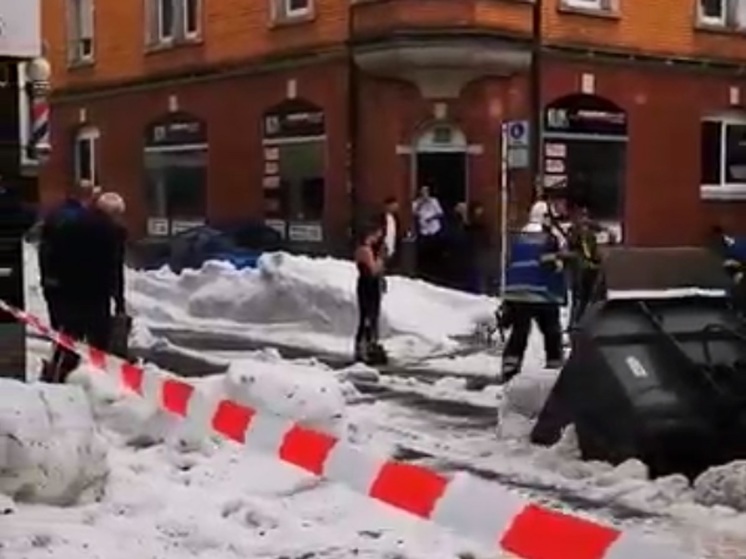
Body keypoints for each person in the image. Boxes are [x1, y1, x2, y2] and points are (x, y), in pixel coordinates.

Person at [469, 201, 566, 389]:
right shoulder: (549, 239)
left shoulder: (519, 237)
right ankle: (554, 368)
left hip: (516, 294)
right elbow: (551, 264)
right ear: (545, 217)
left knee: (519, 332)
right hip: (542, 294)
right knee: (551, 332)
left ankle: (510, 368)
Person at [40, 187, 127, 383]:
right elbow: (114, 269)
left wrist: (53, 290)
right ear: (113, 214)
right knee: (99, 347)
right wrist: (119, 301)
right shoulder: (113, 232)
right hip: (96, 296)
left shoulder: (71, 224)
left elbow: (52, 256)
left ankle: (57, 378)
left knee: (69, 342)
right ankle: (100, 384)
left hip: (69, 293)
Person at [354, 222, 386, 364]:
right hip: (367, 285)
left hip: (369, 285)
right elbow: (373, 270)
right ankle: (363, 348)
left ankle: (367, 346)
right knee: (367, 316)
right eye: (376, 234)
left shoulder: (367, 249)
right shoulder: (364, 250)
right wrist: (380, 259)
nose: (377, 237)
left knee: (370, 317)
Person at [567, 206, 602, 326]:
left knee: (586, 297)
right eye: (582, 216)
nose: (584, 220)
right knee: (580, 298)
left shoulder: (590, 234)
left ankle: (579, 323)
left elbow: (594, 252)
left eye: (586, 216)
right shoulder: (574, 232)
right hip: (581, 269)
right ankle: (575, 323)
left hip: (589, 268)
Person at [412, 185, 444, 283]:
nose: (425, 194)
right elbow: (414, 214)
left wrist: (431, 218)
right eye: (422, 192)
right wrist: (421, 203)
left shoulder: (434, 201)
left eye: (426, 191)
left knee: (435, 253)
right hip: (423, 231)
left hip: (434, 230)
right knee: (424, 254)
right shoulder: (416, 203)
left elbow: (440, 213)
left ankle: (436, 274)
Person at [466, 202, 492, 294]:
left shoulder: (482, 225)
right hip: (475, 252)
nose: (480, 212)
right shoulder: (472, 226)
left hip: (480, 252)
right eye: (478, 210)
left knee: (480, 273)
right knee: (477, 274)